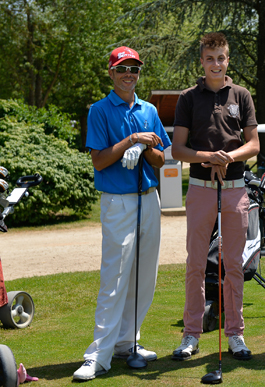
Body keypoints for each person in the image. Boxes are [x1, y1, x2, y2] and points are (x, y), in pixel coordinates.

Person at [74, 46, 171, 381]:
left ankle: (128, 342)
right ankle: (97, 354)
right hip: (118, 201)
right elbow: (99, 160)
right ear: (112, 73)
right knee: (114, 277)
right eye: (123, 68)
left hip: (149, 196)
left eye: (135, 69)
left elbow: (162, 159)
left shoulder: (149, 110)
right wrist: (131, 138)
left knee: (145, 276)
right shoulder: (99, 110)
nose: (129, 74)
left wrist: (146, 149)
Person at [171, 32, 259, 361]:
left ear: (227, 59)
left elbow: (253, 144)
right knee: (195, 264)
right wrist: (208, 158)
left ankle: (235, 334)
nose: (216, 64)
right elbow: (177, 148)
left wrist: (229, 157)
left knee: (233, 264)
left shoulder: (242, 95)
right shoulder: (188, 97)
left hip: (235, 188)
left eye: (221, 58)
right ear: (202, 61)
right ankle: (191, 334)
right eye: (210, 58)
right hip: (200, 189)